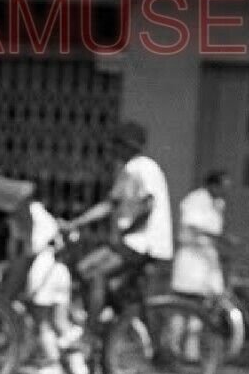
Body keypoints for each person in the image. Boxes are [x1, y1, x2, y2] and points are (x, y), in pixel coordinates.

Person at [70, 120, 173, 328]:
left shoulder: (142, 167)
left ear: (128, 145)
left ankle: (90, 331)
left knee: (93, 271)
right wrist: (75, 223)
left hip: (143, 242)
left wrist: (127, 231)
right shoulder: (129, 169)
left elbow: (148, 205)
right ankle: (113, 317)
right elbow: (110, 204)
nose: (113, 149)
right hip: (136, 242)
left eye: (117, 144)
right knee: (88, 272)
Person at [0, 198, 90, 374]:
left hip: (43, 271)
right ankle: (80, 371)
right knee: (60, 323)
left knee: (41, 321)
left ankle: (55, 363)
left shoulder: (23, 215)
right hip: (59, 271)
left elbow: (23, 249)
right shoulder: (43, 214)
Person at [172, 171, 232, 298]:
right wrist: (222, 238)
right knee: (189, 297)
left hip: (208, 256)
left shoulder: (218, 203)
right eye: (223, 187)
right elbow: (193, 226)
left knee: (212, 295)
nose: (225, 191)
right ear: (213, 185)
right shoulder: (196, 199)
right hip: (193, 255)